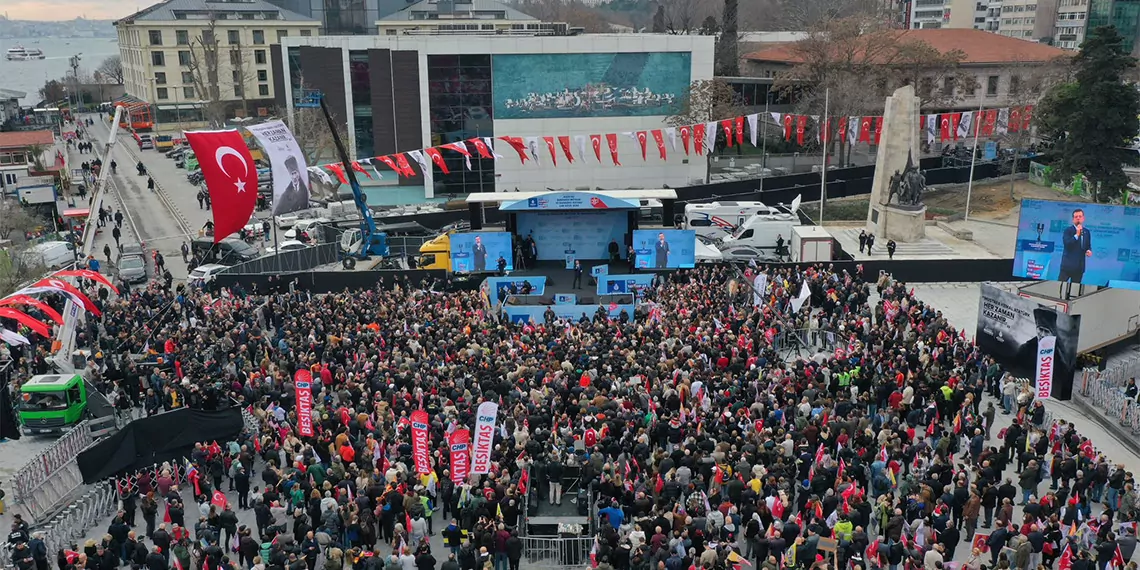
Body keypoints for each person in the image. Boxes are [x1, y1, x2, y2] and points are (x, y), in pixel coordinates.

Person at [1059, 208, 1092, 284]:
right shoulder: (1068, 230)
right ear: (1073, 219)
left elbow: (1088, 245)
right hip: (1067, 266)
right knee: (1060, 287)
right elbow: (1067, 244)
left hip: (1079, 267)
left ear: (1083, 218)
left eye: (1080, 216)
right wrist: (1077, 234)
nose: (1078, 218)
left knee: (1075, 290)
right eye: (1076, 217)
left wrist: (1089, 250)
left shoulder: (1087, 232)